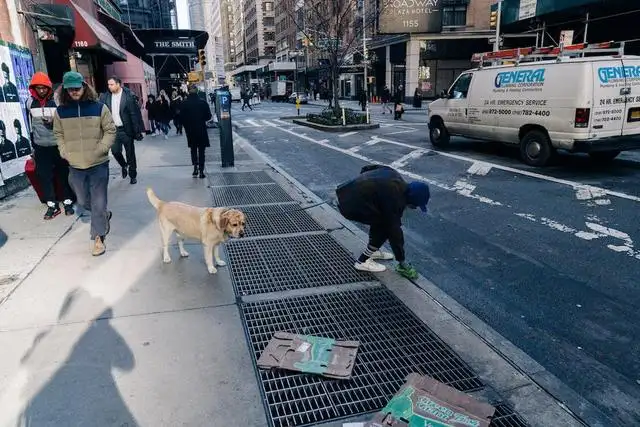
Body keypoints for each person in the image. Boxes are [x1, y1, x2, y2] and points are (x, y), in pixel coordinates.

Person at [53, 71, 116, 256]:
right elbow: (58, 134)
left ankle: (98, 238)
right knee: (81, 201)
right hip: (75, 165)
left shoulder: (99, 108)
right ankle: (103, 215)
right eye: (70, 89)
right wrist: (64, 151)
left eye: (77, 87)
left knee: (98, 201)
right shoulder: (61, 112)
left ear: (84, 86)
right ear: (65, 90)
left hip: (98, 164)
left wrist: (101, 149)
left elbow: (110, 131)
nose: (74, 91)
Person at [335, 164, 430, 279]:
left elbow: (367, 168)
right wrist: (402, 261)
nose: (413, 208)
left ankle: (373, 250)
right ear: (411, 200)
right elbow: (395, 233)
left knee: (380, 218)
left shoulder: (394, 175)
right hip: (349, 205)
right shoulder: (394, 200)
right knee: (385, 228)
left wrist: (364, 187)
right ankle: (362, 261)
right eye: (414, 206)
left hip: (344, 191)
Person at [26, 72, 76, 219]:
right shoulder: (29, 102)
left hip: (57, 144)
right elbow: (30, 125)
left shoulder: (57, 101)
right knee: (44, 176)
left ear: (48, 88)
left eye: (44, 88)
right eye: (38, 88)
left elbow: (66, 121)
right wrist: (32, 146)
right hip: (41, 147)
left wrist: (54, 121)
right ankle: (52, 205)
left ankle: (67, 202)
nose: (41, 91)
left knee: (63, 174)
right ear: (34, 88)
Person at [100, 76, 144, 184]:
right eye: (108, 85)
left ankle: (133, 175)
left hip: (126, 130)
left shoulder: (128, 96)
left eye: (111, 84)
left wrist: (138, 130)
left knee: (130, 153)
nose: (109, 87)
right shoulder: (105, 97)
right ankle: (124, 165)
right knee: (115, 151)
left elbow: (135, 114)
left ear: (118, 84)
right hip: (113, 130)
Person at [179, 85, 212, 179]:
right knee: (202, 150)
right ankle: (201, 170)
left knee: (193, 149)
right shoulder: (203, 103)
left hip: (190, 130)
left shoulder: (184, 103)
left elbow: (181, 118)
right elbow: (208, 117)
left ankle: (195, 168)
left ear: (188, 91)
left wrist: (186, 125)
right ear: (197, 91)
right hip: (201, 129)